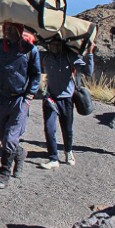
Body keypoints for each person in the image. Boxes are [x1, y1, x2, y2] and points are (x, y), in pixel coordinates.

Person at [0, 22, 42, 189]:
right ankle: (20, 153)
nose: (7, 31)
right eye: (5, 28)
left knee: (10, 138)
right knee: (5, 138)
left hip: (19, 100)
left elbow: (35, 75)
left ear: (19, 30)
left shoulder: (30, 50)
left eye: (11, 28)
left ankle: (4, 172)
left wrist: (28, 97)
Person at [38, 38, 95, 169]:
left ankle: (68, 151)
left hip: (66, 99)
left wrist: (90, 52)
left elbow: (89, 72)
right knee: (49, 128)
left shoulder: (70, 57)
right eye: (52, 44)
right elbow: (29, 57)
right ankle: (53, 158)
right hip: (50, 98)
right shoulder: (45, 57)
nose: (55, 47)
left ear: (63, 46)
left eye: (57, 44)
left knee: (67, 129)